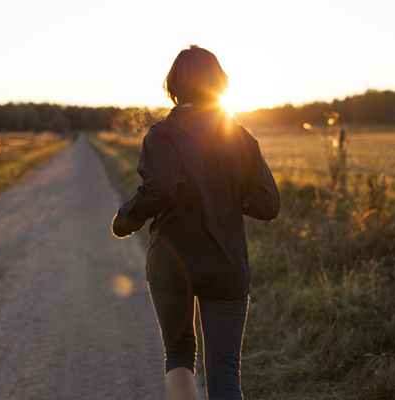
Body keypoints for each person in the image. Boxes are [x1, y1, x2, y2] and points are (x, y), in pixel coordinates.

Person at [111, 45, 280, 400]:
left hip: (172, 262)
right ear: (219, 84)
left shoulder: (162, 135)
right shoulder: (240, 137)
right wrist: (225, 195)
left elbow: (160, 189)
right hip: (226, 263)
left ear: (174, 87)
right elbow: (269, 204)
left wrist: (126, 218)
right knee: (224, 371)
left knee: (178, 356)